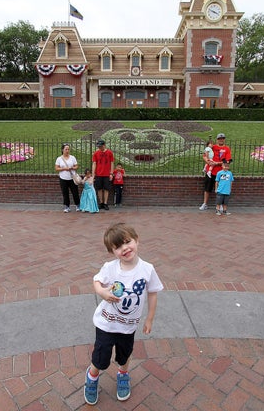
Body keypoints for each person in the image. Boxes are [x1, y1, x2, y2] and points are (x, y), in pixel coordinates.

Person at [84, 223, 163, 405]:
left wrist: (149, 318)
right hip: (107, 323)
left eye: (127, 242)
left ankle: (123, 374)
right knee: (101, 357)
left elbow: (152, 293)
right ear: (113, 252)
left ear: (137, 240)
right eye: (118, 247)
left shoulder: (147, 270)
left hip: (128, 326)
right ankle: (92, 377)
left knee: (124, 354)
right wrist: (102, 292)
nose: (124, 248)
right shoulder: (110, 268)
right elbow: (96, 281)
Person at [199, 133, 231, 211]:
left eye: (222, 138)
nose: (221, 140)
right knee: (207, 188)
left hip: (221, 172)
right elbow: (205, 155)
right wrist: (208, 161)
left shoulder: (227, 149)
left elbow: (227, 161)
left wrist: (217, 163)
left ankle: (219, 205)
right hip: (211, 171)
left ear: (224, 139)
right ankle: (205, 203)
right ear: (217, 140)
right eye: (219, 139)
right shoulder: (213, 147)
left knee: (220, 189)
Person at [55, 143, 80, 213]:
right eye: (66, 149)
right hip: (63, 178)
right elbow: (56, 168)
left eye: (68, 149)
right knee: (65, 193)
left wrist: (72, 168)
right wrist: (64, 169)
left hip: (72, 178)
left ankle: (77, 205)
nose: (67, 150)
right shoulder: (59, 159)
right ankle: (67, 206)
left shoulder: (72, 157)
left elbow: (77, 166)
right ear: (62, 150)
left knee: (75, 192)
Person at [92, 139, 114, 210]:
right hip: (98, 174)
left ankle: (105, 203)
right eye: (99, 147)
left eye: (101, 146)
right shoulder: (96, 153)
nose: (99, 148)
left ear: (104, 145)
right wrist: (93, 174)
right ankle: (101, 203)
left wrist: (111, 173)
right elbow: (94, 163)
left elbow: (112, 163)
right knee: (99, 189)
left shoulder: (110, 153)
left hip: (107, 174)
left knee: (106, 189)